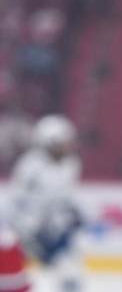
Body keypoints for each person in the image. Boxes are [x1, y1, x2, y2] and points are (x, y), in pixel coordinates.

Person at [9, 114, 84, 292]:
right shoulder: (30, 167)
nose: (68, 145)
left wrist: (74, 214)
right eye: (63, 141)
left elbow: (65, 197)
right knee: (23, 280)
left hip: (55, 231)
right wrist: (28, 234)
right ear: (49, 142)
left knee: (71, 275)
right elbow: (21, 203)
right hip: (30, 233)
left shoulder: (71, 164)